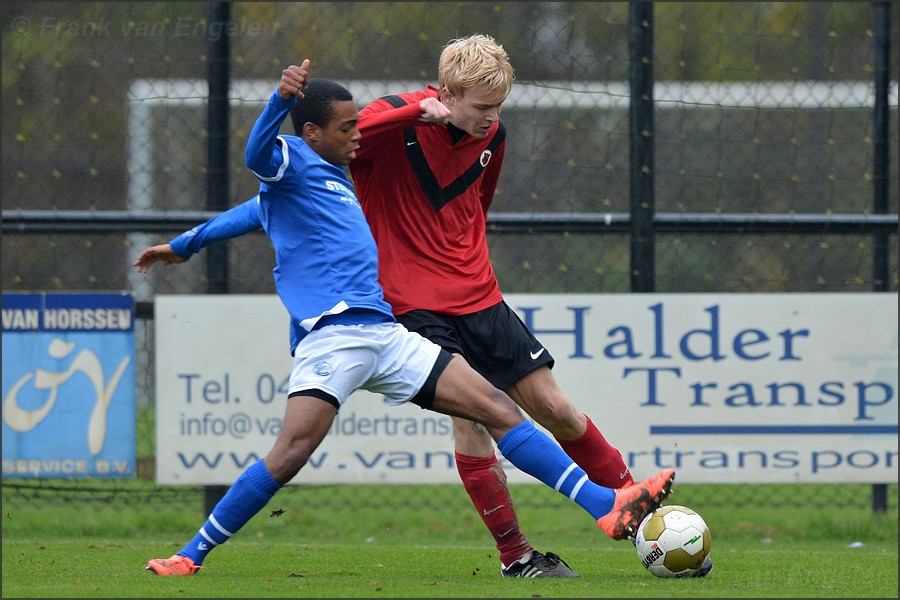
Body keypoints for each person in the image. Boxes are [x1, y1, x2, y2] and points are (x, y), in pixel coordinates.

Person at [139, 61, 676, 577]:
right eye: (347, 127)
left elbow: (250, 213)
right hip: (334, 338)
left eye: (356, 125)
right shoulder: (290, 163)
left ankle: (607, 506)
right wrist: (281, 100)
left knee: (497, 408)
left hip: (385, 332)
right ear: (309, 132)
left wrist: (185, 245)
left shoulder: (334, 182)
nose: (357, 135)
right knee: (292, 453)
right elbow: (257, 155)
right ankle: (191, 554)